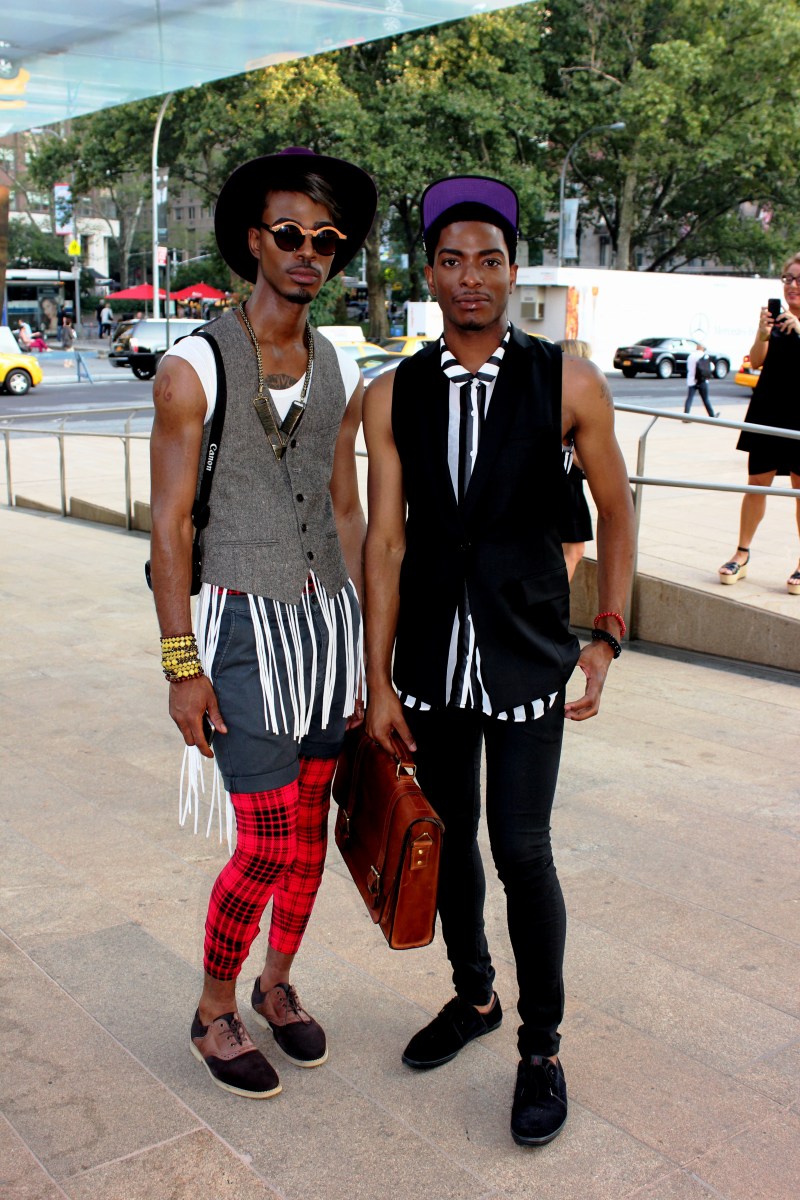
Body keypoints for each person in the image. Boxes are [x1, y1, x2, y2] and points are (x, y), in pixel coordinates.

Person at [363, 175, 634, 1147]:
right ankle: (473, 994)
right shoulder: (392, 392)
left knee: (522, 850)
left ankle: (541, 1048)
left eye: (488, 259)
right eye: (451, 260)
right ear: (429, 274)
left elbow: (616, 508)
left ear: (513, 271)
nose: (470, 277)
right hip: (434, 661)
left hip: (525, 656)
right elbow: (385, 540)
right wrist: (377, 678)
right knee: (447, 840)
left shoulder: (567, 381)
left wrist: (606, 632)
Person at [149, 147, 377, 1101]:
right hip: (240, 623)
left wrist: (370, 652)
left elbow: (347, 507)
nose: (308, 253)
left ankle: (276, 984)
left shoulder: (339, 364)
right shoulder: (192, 367)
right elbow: (171, 525)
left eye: (326, 240)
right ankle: (213, 1009)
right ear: (254, 241)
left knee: (311, 833)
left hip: (328, 626)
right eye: (290, 234)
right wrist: (181, 666)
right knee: (268, 841)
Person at [718, 254, 800, 593]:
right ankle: (742, 552)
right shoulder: (775, 320)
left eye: (798, 279)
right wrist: (762, 332)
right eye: (787, 278)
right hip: (768, 409)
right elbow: (756, 361)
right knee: (756, 483)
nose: (791, 285)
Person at [556, 339, 595, 581]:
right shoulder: (577, 396)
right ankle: (553, 601)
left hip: (551, 482)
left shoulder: (546, 392)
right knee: (573, 550)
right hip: (566, 484)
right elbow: (582, 454)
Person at [683, 342, 717, 418]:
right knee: (706, 399)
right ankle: (712, 415)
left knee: (689, 398)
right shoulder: (704, 356)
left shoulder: (691, 356)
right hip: (703, 381)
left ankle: (685, 416)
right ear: (702, 348)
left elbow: (688, 368)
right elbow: (711, 367)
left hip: (692, 380)